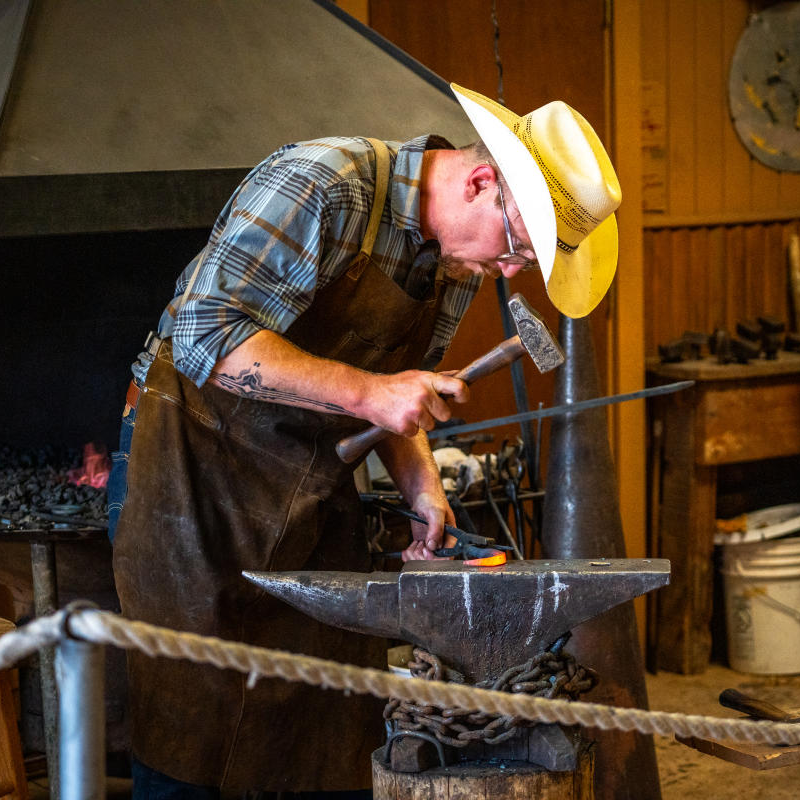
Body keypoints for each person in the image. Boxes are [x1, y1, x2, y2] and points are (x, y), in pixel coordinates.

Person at [110, 83, 622, 799]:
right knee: (191, 725)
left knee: (325, 716)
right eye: (516, 249)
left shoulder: (454, 265)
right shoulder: (324, 185)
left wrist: (420, 483)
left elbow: (389, 391)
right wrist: (368, 394)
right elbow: (205, 337)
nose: (510, 275)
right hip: (190, 473)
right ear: (480, 182)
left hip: (303, 482)